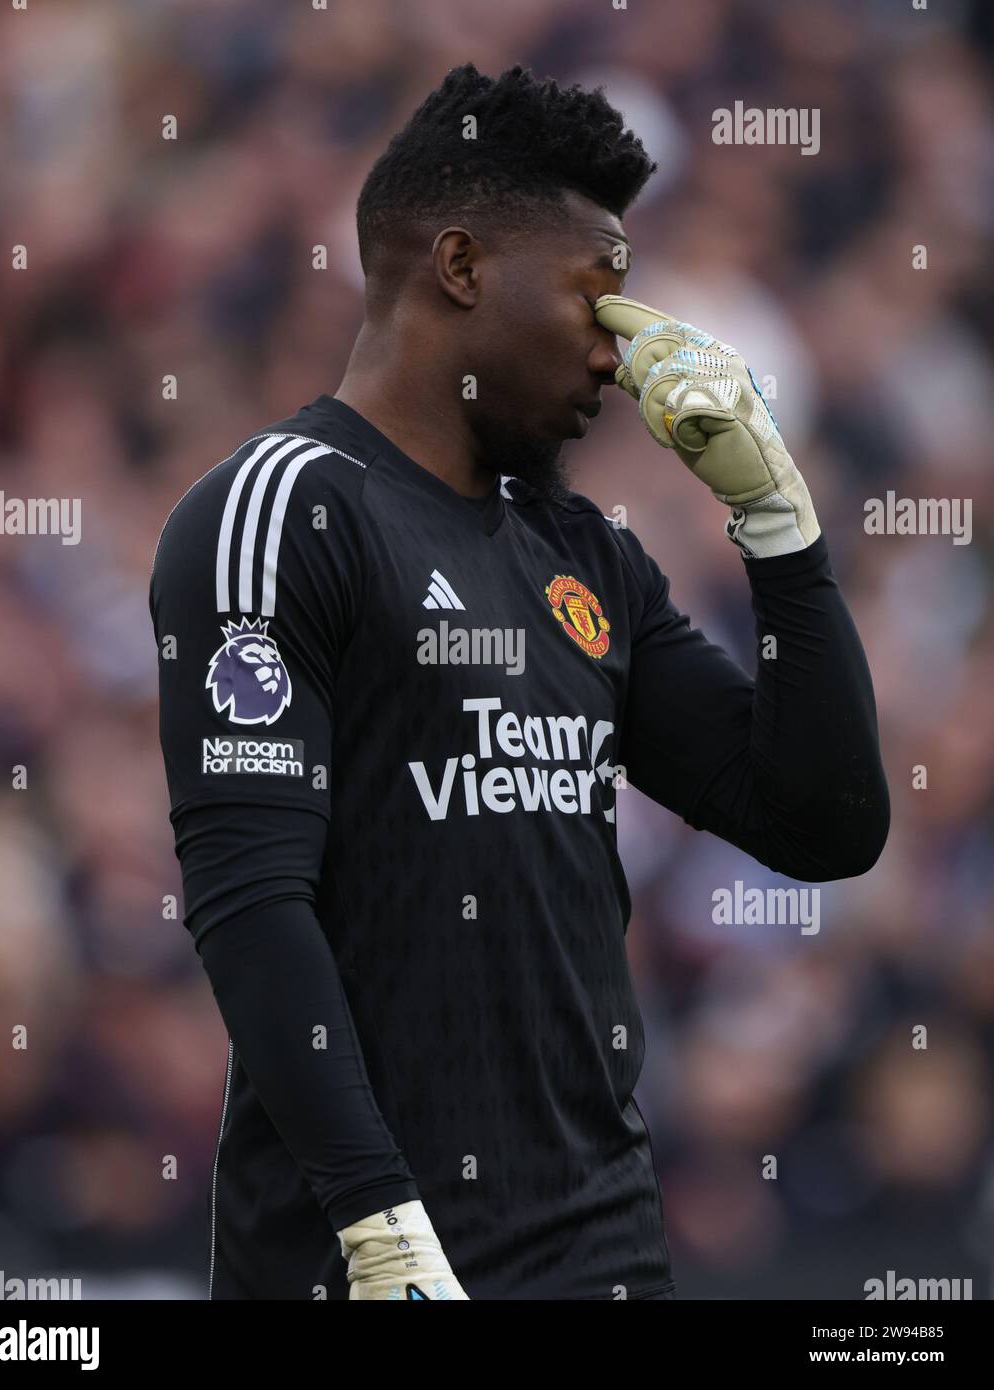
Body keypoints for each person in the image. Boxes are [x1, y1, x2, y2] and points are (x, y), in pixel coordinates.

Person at [149, 62, 889, 1301]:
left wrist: (774, 523)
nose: (623, 350)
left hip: (600, 1255)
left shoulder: (583, 554)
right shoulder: (280, 512)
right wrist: (375, 1217)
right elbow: (249, 906)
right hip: (368, 1262)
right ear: (459, 266)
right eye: (599, 292)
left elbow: (822, 823)